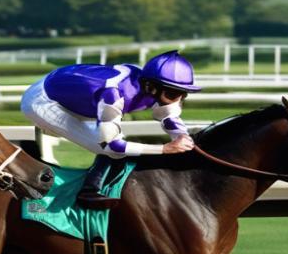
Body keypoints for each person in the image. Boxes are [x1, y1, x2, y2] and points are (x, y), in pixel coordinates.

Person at [21, 50, 199, 209]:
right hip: (44, 102)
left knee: (117, 144)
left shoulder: (151, 84)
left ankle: (106, 185)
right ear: (150, 87)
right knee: (110, 148)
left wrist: (183, 137)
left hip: (76, 94)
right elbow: (112, 145)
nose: (177, 100)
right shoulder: (113, 95)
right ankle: (88, 192)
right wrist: (164, 149)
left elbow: (169, 116)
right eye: (172, 95)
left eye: (182, 94)